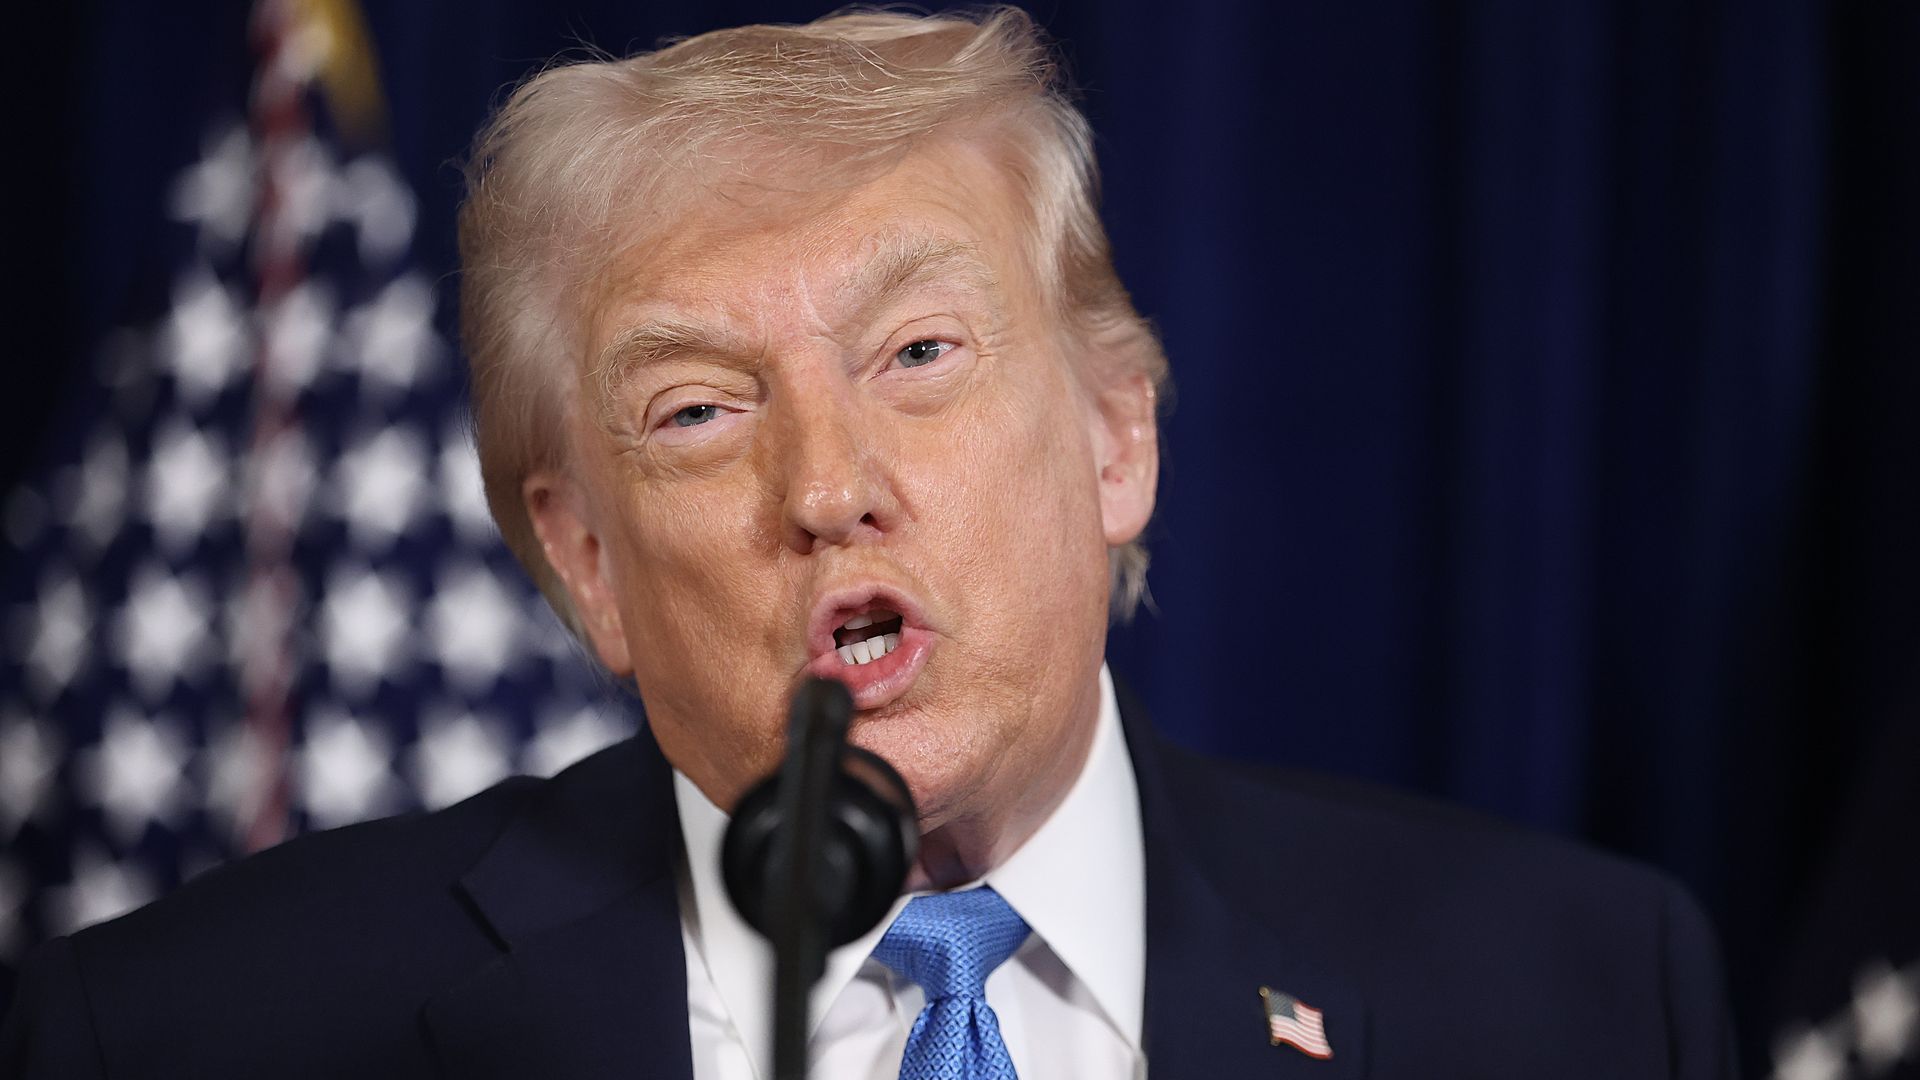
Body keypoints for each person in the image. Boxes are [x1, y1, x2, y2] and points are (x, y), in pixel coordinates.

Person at [0, 8, 1735, 1078]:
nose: (828, 485)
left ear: (1116, 437)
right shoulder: (190, 1036)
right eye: (697, 408)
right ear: (586, 560)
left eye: (919, 354)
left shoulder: (1578, 1000)